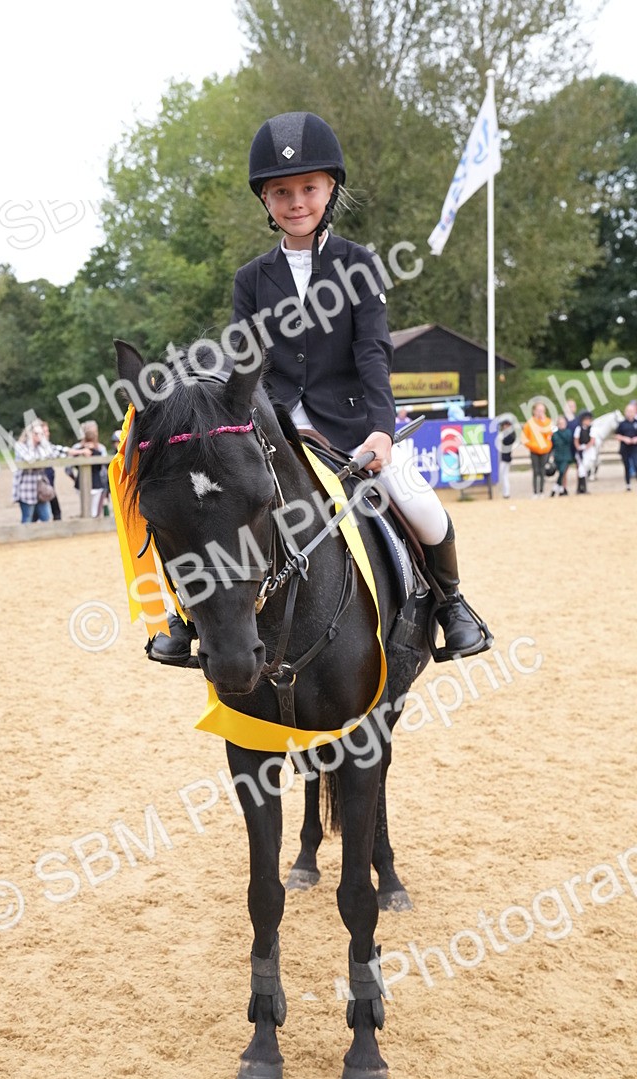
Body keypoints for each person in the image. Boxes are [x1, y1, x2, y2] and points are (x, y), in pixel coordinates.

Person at [151, 111, 492, 666]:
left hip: (352, 426)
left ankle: (453, 605)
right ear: (265, 200)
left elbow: (373, 353)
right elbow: (246, 361)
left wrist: (382, 431)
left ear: (330, 189)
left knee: (420, 504)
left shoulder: (360, 264)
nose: (296, 202)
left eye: (308, 188)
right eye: (281, 192)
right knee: (204, 508)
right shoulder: (250, 278)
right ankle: (186, 616)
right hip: (276, 429)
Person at [13, 419, 62, 523]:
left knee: (46, 516)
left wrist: (75, 451)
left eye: (41, 433)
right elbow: (31, 458)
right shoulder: (21, 446)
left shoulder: (42, 446)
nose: (39, 436)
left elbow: (54, 452)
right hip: (26, 490)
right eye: (36, 433)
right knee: (28, 517)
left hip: (40, 489)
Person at [67, 420, 108, 517]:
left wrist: (75, 479)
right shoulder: (100, 449)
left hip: (85, 484)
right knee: (94, 513)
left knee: (87, 510)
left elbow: (68, 468)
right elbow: (105, 469)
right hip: (97, 484)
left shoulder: (77, 448)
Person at [521, 401, 553, 498]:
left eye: (542, 411)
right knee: (535, 471)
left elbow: (549, 435)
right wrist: (532, 446)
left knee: (543, 471)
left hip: (545, 450)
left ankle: (542, 491)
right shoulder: (529, 423)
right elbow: (524, 438)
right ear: (534, 411)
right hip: (534, 450)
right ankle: (535, 492)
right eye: (538, 410)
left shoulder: (547, 422)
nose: (540, 413)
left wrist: (543, 422)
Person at [614, 401, 637, 490]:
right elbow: (617, 435)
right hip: (625, 448)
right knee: (627, 466)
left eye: (631, 411)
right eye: (628, 411)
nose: (629, 413)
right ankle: (628, 484)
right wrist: (624, 439)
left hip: (635, 448)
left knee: (636, 464)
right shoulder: (622, 424)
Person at [549, 415, 574, 497]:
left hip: (566, 456)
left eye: (563, 423)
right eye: (560, 423)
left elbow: (568, 439)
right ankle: (561, 489)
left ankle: (555, 488)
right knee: (561, 473)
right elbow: (552, 446)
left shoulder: (568, 432)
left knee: (562, 472)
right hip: (557, 456)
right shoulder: (554, 434)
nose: (561, 425)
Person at [573, 411, 596, 494]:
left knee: (586, 467)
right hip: (581, 450)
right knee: (581, 469)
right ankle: (581, 488)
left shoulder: (592, 429)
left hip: (588, 450)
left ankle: (584, 487)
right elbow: (576, 440)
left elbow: (592, 440)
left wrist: (587, 447)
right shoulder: (578, 429)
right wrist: (579, 447)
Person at [498, 418, 516, 499]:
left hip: (505, 458)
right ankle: (505, 492)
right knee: (503, 475)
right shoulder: (505, 435)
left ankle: (506, 492)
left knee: (504, 475)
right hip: (504, 457)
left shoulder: (510, 436)